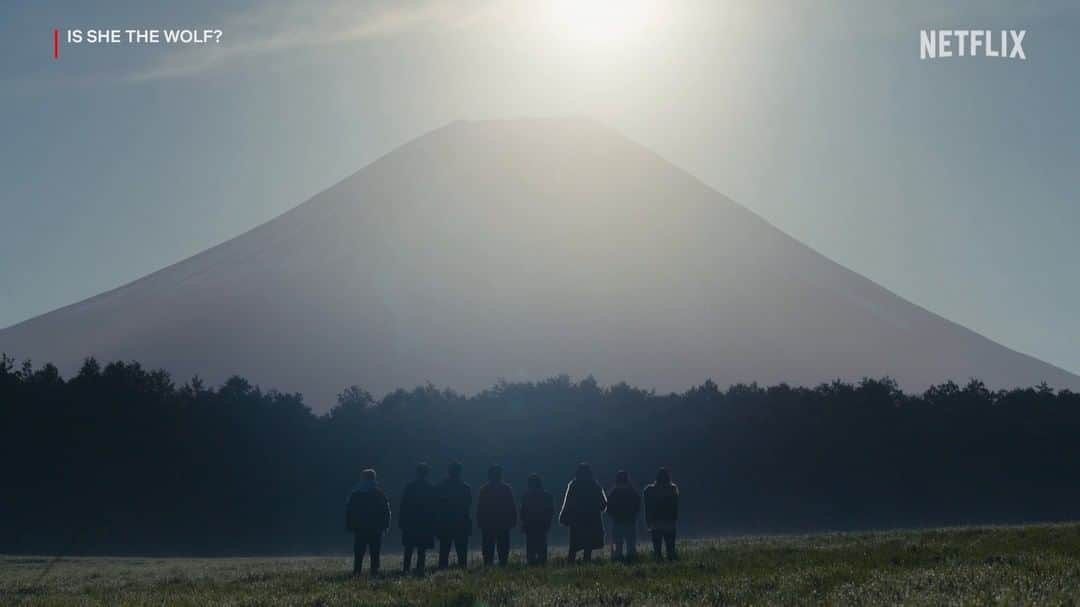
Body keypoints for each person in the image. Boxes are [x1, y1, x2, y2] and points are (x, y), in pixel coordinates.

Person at [345, 468, 391, 576]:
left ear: (362, 478)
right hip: (375, 528)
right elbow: (386, 511)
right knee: (375, 552)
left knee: (359, 552)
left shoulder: (355, 493)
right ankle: (374, 572)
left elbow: (349, 511)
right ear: (374, 478)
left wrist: (350, 525)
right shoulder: (378, 493)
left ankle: (357, 572)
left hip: (360, 528)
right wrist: (385, 525)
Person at [559, 462, 607, 562]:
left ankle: (570, 566)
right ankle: (586, 567)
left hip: (576, 521)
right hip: (592, 521)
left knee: (573, 546)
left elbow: (568, 502)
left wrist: (564, 516)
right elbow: (603, 504)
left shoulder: (573, 485)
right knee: (588, 547)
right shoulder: (594, 485)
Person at [399, 462, 437, 574]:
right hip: (425, 523)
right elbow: (433, 508)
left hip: (411, 522)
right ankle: (420, 569)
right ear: (427, 473)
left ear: (417, 473)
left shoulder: (409, 487)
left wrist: (402, 521)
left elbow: (403, 506)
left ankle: (406, 569)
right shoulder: (430, 487)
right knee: (422, 548)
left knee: (409, 548)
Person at [476, 465, 517, 566]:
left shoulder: (484, 490)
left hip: (488, 525)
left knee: (488, 551)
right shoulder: (506, 489)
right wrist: (512, 521)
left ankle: (488, 569)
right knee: (503, 551)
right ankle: (502, 569)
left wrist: (480, 523)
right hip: (503, 525)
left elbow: (480, 509)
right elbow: (512, 507)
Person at [436, 461, 472, 569]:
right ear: (459, 472)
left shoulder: (441, 487)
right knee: (462, 553)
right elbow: (468, 505)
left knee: (444, 552)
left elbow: (437, 506)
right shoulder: (465, 488)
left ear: (449, 471)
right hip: (461, 523)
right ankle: (462, 573)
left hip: (445, 523)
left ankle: (442, 575)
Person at [643, 467, 679, 561]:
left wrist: (648, 521)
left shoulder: (649, 490)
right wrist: (675, 519)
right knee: (670, 548)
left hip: (656, 523)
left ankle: (658, 565)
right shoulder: (673, 489)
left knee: (657, 550)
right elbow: (675, 507)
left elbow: (648, 508)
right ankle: (672, 566)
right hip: (669, 523)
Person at [519, 473, 555, 565]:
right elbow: (551, 511)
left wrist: (523, 523)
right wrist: (548, 523)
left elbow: (523, 511)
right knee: (542, 547)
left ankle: (532, 566)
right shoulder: (547, 495)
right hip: (542, 525)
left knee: (531, 547)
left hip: (530, 525)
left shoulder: (526, 496)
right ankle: (542, 566)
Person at [606, 470, 641, 561]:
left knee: (617, 546)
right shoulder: (633, 492)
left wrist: (614, 516)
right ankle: (631, 561)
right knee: (631, 546)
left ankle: (617, 562)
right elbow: (638, 506)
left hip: (617, 522)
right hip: (630, 522)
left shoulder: (613, 492)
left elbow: (608, 508)